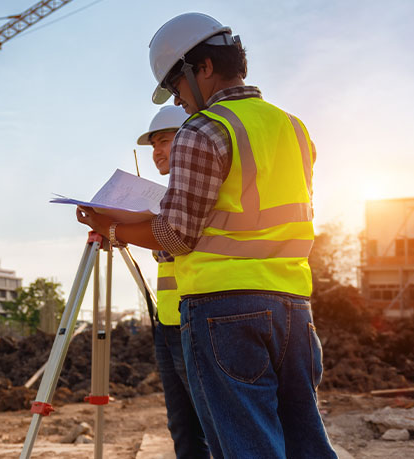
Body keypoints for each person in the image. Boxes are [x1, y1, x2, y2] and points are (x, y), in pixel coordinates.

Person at [76, 13, 337, 458]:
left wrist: (113, 226)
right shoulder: (294, 128)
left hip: (225, 310)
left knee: (246, 447)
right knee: (304, 442)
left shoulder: (204, 129)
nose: (178, 101)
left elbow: (177, 236)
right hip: (293, 306)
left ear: (203, 68)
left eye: (177, 87)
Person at [138, 106, 208, 458]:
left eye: (164, 141)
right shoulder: (166, 199)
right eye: (153, 145)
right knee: (183, 426)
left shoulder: (194, 192)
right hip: (168, 322)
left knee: (210, 421)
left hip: (197, 322)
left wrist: (122, 228)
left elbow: (177, 243)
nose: (157, 153)